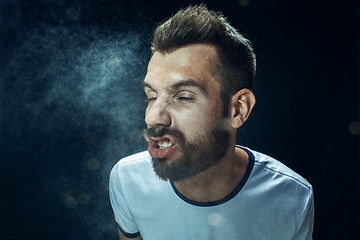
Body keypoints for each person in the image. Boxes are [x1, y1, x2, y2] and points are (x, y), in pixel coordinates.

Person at [109, 5, 314, 240]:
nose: (153, 117)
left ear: (238, 109)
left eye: (183, 97)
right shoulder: (127, 179)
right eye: (151, 96)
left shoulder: (292, 198)